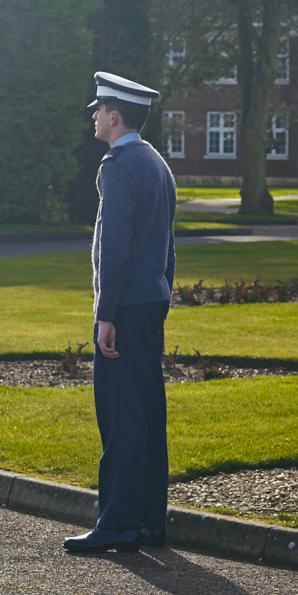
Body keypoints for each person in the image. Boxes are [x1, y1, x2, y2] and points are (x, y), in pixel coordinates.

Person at [64, 70, 176, 555]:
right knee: (149, 412)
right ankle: (150, 518)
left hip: (126, 305)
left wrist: (105, 313)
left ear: (115, 116)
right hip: (151, 300)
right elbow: (167, 245)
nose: (92, 115)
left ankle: (117, 523)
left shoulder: (117, 165)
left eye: (98, 109)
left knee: (121, 415)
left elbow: (115, 248)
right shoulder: (156, 163)